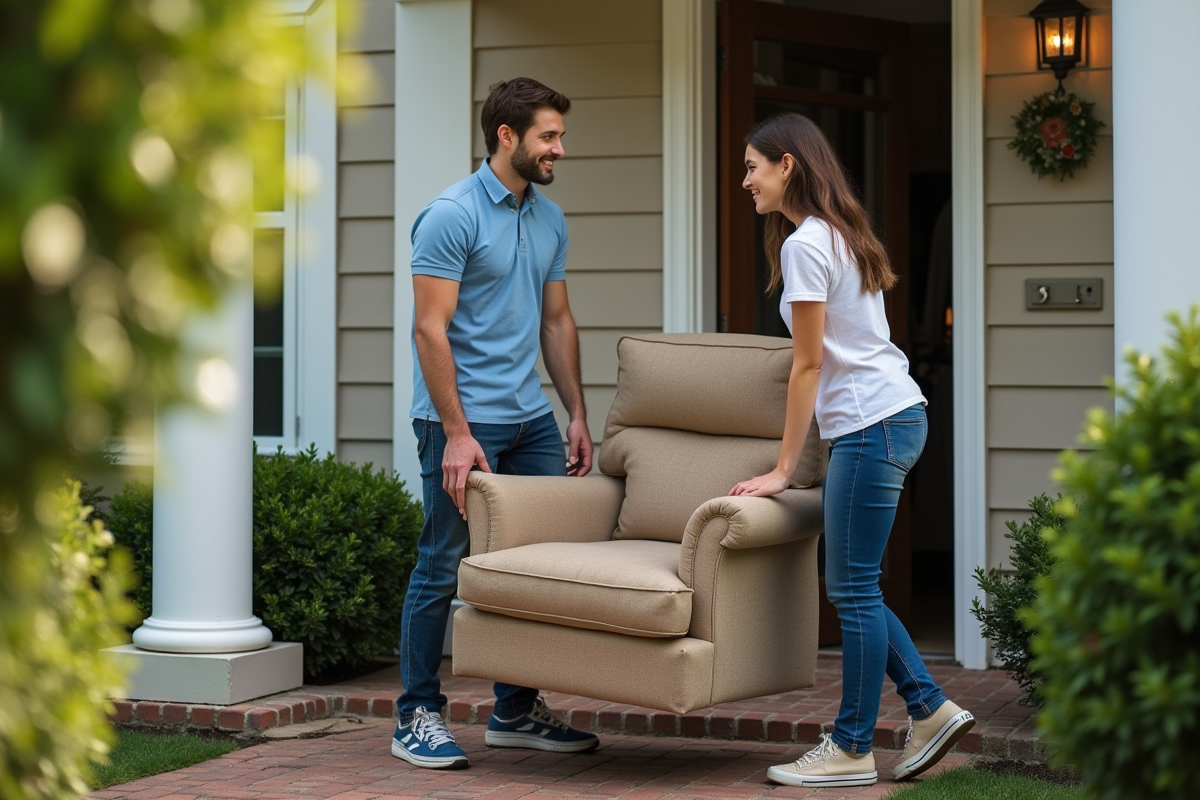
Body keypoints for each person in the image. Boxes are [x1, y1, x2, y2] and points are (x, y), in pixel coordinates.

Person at [730, 112, 975, 789]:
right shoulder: (839, 234)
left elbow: (808, 366)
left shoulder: (807, 246)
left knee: (852, 589)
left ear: (789, 166)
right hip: (892, 417)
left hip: (871, 426)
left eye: (754, 166)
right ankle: (928, 707)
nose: (745, 180)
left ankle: (851, 746)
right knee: (858, 585)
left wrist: (783, 469)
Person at [392, 77, 599, 770]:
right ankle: (415, 714)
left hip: (530, 421)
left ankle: (515, 708)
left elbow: (556, 320)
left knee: (531, 566)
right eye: (548, 136)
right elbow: (429, 330)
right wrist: (455, 432)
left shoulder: (550, 218)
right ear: (506, 136)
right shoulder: (451, 215)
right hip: (460, 422)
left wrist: (575, 414)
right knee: (442, 563)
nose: (559, 149)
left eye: (559, 136)